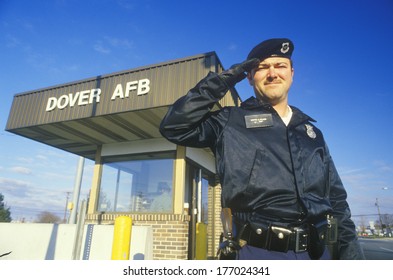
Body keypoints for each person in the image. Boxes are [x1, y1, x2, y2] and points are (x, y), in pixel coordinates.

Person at [159, 38, 364, 260]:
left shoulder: (311, 133)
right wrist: (225, 80)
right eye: (262, 67)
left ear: (292, 73)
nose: (273, 73)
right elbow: (174, 127)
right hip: (255, 252)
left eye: (280, 66)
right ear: (248, 76)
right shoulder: (229, 121)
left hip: (318, 254)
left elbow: (337, 202)